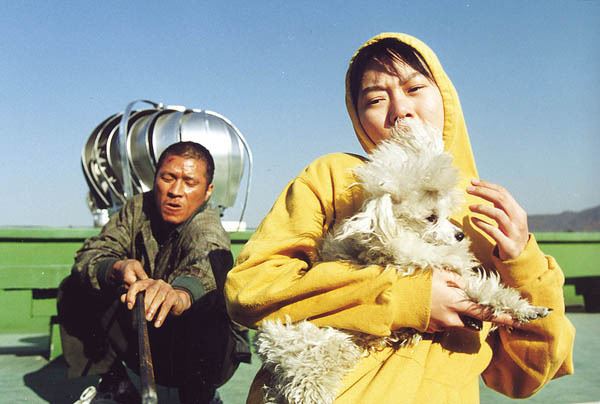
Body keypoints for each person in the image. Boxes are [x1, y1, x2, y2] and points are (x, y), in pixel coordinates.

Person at [224, 33, 575, 403]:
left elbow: (523, 376)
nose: (400, 109)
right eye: (376, 99)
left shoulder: (483, 214)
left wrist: (525, 263)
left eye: (415, 88)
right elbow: (252, 289)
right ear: (357, 116)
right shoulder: (334, 178)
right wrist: (408, 297)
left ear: (446, 98)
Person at [58, 141, 250, 404]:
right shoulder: (137, 208)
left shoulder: (208, 226)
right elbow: (91, 255)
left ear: (207, 191)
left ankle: (201, 394)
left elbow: (205, 261)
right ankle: (115, 382)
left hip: (205, 353)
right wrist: (116, 268)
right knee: (76, 285)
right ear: (155, 178)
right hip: (148, 331)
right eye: (167, 178)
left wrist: (180, 294)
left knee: (210, 303)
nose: (175, 192)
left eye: (189, 182)